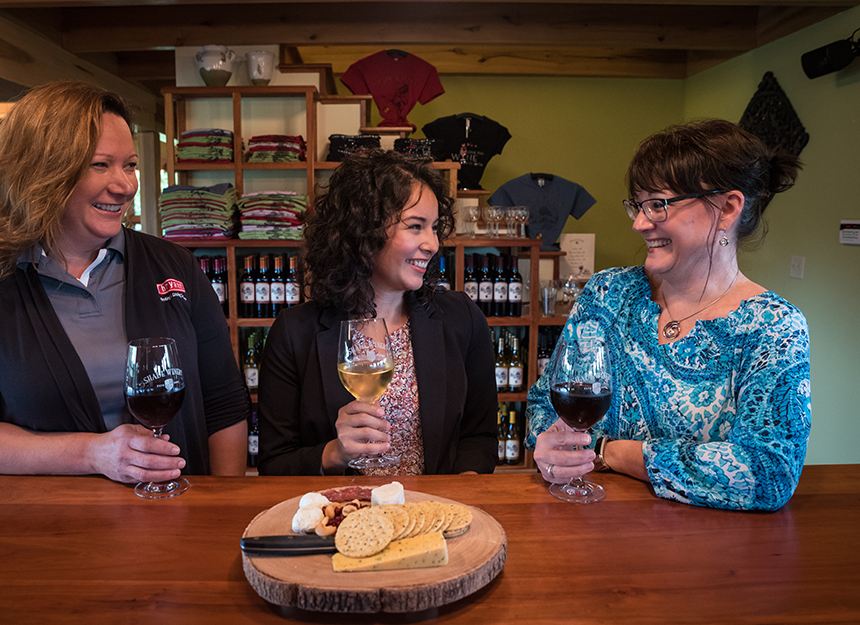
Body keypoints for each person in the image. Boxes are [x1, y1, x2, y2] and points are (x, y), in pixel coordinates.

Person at [0, 81, 249, 482]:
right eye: (101, 165)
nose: (125, 185)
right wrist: (92, 454)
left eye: (130, 165)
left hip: (175, 513)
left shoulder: (174, 264)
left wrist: (221, 509)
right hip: (51, 528)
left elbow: (224, 404)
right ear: (42, 172)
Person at [526, 119, 810, 511]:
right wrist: (547, 446)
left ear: (727, 208)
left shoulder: (773, 326)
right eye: (638, 205)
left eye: (659, 204)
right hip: (590, 533)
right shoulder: (609, 293)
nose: (640, 223)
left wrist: (613, 452)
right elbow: (544, 403)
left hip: (708, 555)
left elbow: (767, 473)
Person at [257, 149, 497, 475]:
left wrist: (462, 490)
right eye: (415, 226)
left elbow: (479, 437)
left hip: (430, 519)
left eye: (435, 227)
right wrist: (333, 453)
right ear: (363, 231)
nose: (433, 243)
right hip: (341, 519)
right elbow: (273, 465)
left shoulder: (462, 320)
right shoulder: (294, 332)